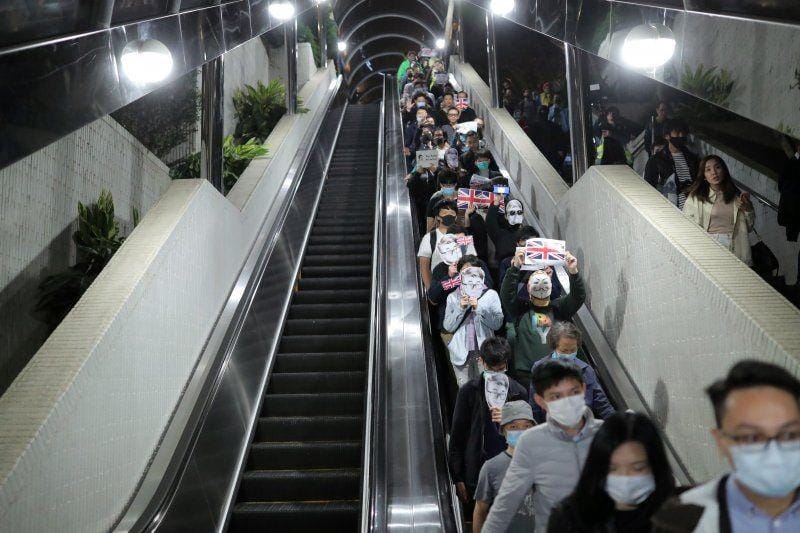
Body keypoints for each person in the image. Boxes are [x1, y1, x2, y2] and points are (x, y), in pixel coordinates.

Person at [652, 360, 800, 532]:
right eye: (751, 438)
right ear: (721, 442)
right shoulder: (679, 522)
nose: (774, 453)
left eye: (789, 434)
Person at [481, 360, 604, 533]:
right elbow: (505, 503)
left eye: (573, 392)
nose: (567, 401)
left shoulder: (607, 434)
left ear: (583, 389)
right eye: (556, 396)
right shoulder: (531, 442)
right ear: (540, 401)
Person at [548, 411, 676, 533]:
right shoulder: (570, 519)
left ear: (655, 466)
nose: (625, 477)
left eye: (637, 468)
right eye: (612, 468)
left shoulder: (680, 519)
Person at [449, 338, 529, 510]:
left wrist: (508, 420)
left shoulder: (518, 392)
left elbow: (527, 439)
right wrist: (458, 477)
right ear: (482, 362)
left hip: (509, 474)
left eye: (501, 369)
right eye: (491, 369)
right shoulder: (469, 392)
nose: (496, 374)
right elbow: (458, 435)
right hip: (477, 473)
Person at [501, 250, 586, 389]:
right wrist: (515, 268)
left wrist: (573, 272)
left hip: (557, 373)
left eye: (544, 278)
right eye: (536, 277)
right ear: (528, 287)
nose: (540, 281)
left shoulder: (559, 308)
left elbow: (578, 296)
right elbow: (507, 295)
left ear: (551, 286)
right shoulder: (521, 310)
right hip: (528, 376)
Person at [530, 321, 614, 423]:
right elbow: (534, 407)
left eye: (573, 350)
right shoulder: (539, 368)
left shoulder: (586, 370)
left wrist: (616, 423)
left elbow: (602, 403)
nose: (569, 354)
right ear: (554, 347)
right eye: (564, 351)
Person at [473, 401, 537, 532]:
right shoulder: (492, 468)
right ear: (504, 430)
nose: (522, 432)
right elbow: (480, 511)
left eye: (527, 426)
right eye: (514, 427)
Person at [683, 155, 755, 265]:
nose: (714, 173)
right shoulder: (696, 198)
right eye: (708, 170)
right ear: (704, 176)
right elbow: (688, 228)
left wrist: (748, 208)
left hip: (736, 246)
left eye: (717, 167)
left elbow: (749, 227)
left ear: (724, 170)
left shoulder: (737, 197)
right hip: (710, 247)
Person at [443, 263, 505, 385]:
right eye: (465, 272)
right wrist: (460, 307)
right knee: (465, 393)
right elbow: (448, 327)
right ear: (460, 275)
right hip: (461, 354)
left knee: (487, 390)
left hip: (485, 353)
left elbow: (497, 324)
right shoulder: (453, 297)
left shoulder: (490, 295)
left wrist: (478, 307)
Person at [429, 252, 493, 336]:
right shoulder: (440, 268)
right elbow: (433, 299)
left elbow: (488, 288)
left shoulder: (476, 263)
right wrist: (449, 277)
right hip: (451, 330)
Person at [644, 119, 699, 210]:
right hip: (669, 209)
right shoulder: (656, 160)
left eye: (683, 133)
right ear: (667, 136)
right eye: (677, 133)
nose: (681, 136)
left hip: (694, 209)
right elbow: (649, 188)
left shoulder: (693, 158)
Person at [487, 195, 525, 265]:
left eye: (519, 212)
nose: (516, 215)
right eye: (512, 213)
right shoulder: (500, 234)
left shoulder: (526, 233)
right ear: (506, 216)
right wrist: (495, 205)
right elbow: (490, 222)